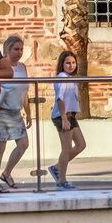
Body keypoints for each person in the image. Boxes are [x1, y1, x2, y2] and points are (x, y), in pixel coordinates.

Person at [0, 49, 31, 191]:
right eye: (16, 49)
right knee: (0, 148)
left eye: (21, 49)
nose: (19, 52)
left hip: (16, 111)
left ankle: (6, 173)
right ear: (8, 50)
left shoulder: (22, 67)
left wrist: (28, 112)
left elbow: (24, 92)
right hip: (1, 111)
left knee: (23, 144)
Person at [46, 48, 87, 187]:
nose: (71, 65)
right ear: (62, 64)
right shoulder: (62, 77)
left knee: (81, 144)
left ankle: (57, 167)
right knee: (66, 148)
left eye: (73, 62)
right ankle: (62, 180)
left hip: (71, 115)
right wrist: (64, 118)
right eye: (67, 63)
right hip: (62, 115)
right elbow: (60, 99)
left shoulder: (71, 78)